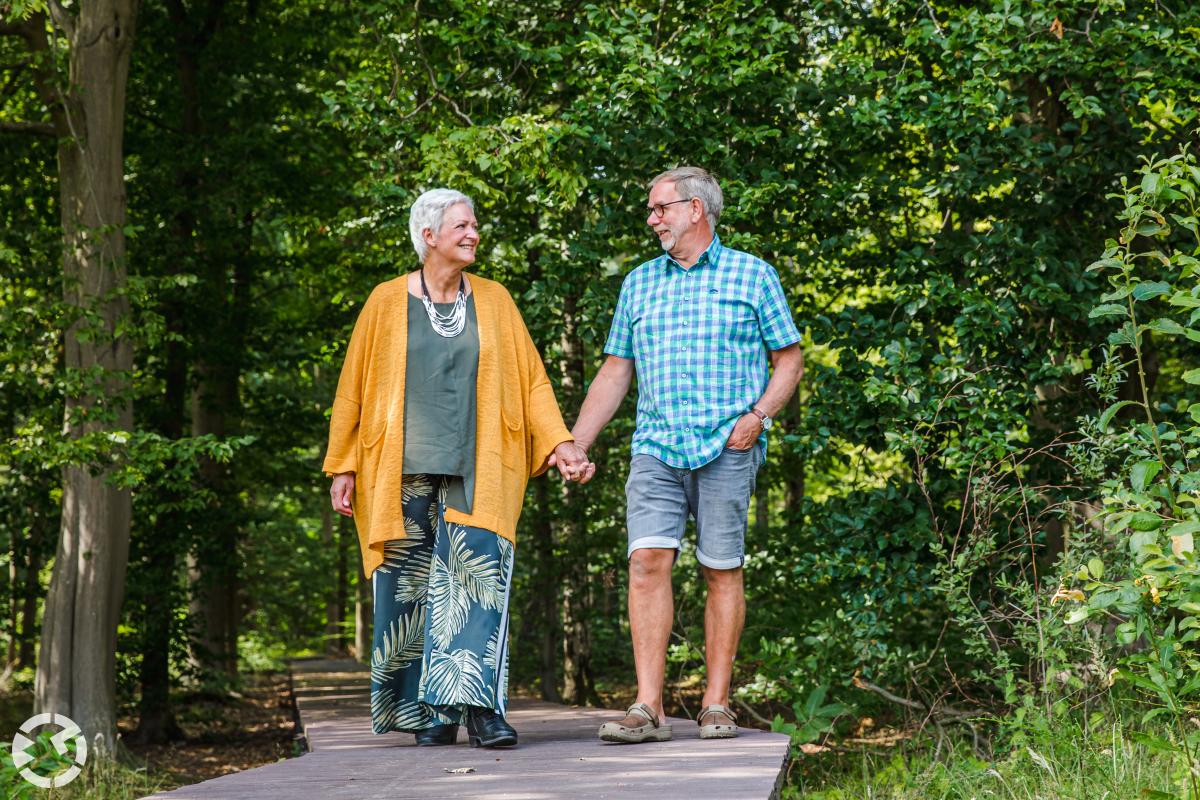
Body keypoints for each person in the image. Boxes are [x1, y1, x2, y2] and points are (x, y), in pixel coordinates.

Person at [324, 188, 591, 749]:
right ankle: (430, 715)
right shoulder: (384, 301)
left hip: (480, 466)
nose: (473, 234)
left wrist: (561, 442)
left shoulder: (495, 300)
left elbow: (532, 381)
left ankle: (481, 710)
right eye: (462, 226)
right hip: (398, 470)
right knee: (409, 591)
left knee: (477, 582)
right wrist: (343, 466)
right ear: (429, 236)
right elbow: (353, 388)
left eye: (474, 226)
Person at [565, 167, 803, 743]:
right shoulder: (640, 284)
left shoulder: (753, 274)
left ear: (695, 209)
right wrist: (578, 440)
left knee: (721, 569)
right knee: (647, 563)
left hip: (727, 445)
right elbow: (617, 370)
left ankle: (716, 703)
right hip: (656, 447)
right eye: (652, 210)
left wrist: (759, 418)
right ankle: (648, 707)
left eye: (659, 208)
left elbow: (790, 359)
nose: (652, 220)